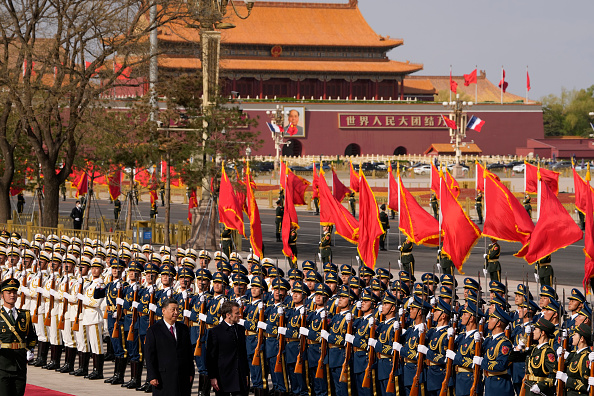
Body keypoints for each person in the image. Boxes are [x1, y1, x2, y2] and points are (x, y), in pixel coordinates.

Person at [145, 297, 195, 395]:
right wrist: (152, 376)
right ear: (163, 311)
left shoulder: (183, 328)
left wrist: (190, 373)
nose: (176, 312)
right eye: (173, 310)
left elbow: (188, 353)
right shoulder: (154, 330)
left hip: (182, 377)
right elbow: (150, 355)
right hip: (163, 377)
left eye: (177, 310)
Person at [0, 278, 38, 396]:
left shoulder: (24, 315)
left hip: (20, 364)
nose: (12, 295)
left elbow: (32, 337)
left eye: (14, 292)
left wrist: (30, 350)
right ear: (2, 295)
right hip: (3, 363)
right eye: (9, 293)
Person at [206, 300, 249, 396]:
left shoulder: (240, 329)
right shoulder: (215, 332)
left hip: (239, 376)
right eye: (237, 313)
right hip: (223, 377)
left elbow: (243, 353)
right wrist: (212, 377)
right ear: (228, 315)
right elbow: (211, 357)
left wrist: (246, 374)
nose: (240, 315)